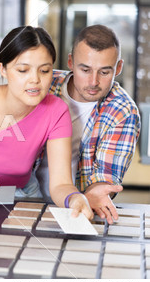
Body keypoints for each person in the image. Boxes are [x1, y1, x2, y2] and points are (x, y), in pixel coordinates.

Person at [0, 26, 93, 219]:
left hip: (24, 194)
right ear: (3, 69)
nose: (35, 80)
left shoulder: (57, 110)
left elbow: (60, 184)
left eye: (45, 70)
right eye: (23, 70)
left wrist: (74, 198)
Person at [35, 25, 141, 224]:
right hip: (23, 197)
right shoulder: (44, 83)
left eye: (104, 72)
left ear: (118, 68)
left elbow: (103, 177)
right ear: (70, 62)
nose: (93, 82)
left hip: (74, 209)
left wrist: (96, 192)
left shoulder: (123, 111)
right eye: (85, 70)